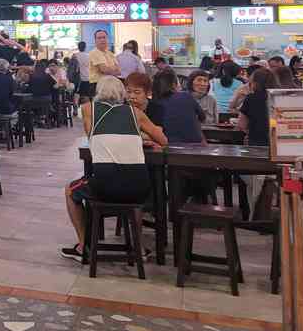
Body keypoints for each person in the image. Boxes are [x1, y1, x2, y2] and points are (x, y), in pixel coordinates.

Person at [61, 76, 166, 261]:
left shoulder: (88, 109)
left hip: (105, 186)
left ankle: (83, 245)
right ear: (123, 93)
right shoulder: (135, 113)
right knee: (133, 198)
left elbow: (90, 136)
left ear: (97, 92)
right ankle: (138, 248)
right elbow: (163, 140)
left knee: (70, 191)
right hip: (140, 188)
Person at [148, 70, 205, 144]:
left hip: (166, 147)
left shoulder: (153, 103)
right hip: (194, 146)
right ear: (174, 84)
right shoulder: (186, 96)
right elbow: (203, 117)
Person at [237, 67, 277, 145]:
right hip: (277, 144)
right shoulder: (278, 98)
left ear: (255, 83)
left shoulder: (250, 98)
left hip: (256, 143)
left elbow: (242, 125)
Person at [87, 29, 121, 98]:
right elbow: (104, 69)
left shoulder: (110, 53)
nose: (102, 40)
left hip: (111, 85)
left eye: (104, 37)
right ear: (95, 40)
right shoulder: (94, 52)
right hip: (97, 85)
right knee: (99, 107)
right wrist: (113, 69)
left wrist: (110, 70)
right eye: (99, 38)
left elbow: (119, 71)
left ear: (107, 39)